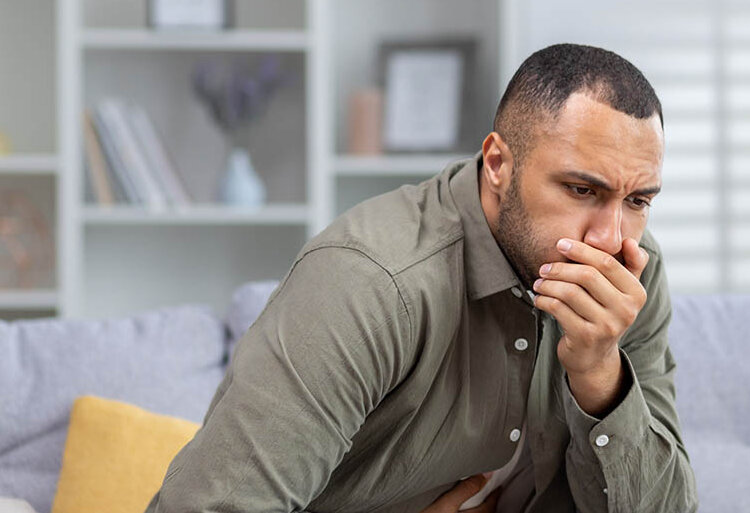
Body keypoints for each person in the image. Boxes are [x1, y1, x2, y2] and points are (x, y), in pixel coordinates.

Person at [145, 43, 697, 513]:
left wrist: (599, 372)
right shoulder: (370, 282)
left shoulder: (631, 273)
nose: (609, 237)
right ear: (498, 164)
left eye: (638, 200)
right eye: (581, 190)